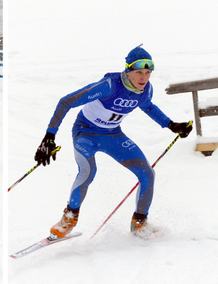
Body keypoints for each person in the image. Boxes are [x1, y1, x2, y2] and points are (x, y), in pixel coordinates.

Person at [34, 45, 193, 238]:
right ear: (128, 71)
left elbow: (148, 107)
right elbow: (66, 101)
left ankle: (139, 223)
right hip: (86, 134)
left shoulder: (145, 90)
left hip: (112, 135)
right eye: (139, 72)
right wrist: (49, 136)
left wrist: (171, 125)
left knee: (147, 174)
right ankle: (69, 218)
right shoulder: (109, 85)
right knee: (88, 171)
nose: (144, 78)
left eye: (148, 72)